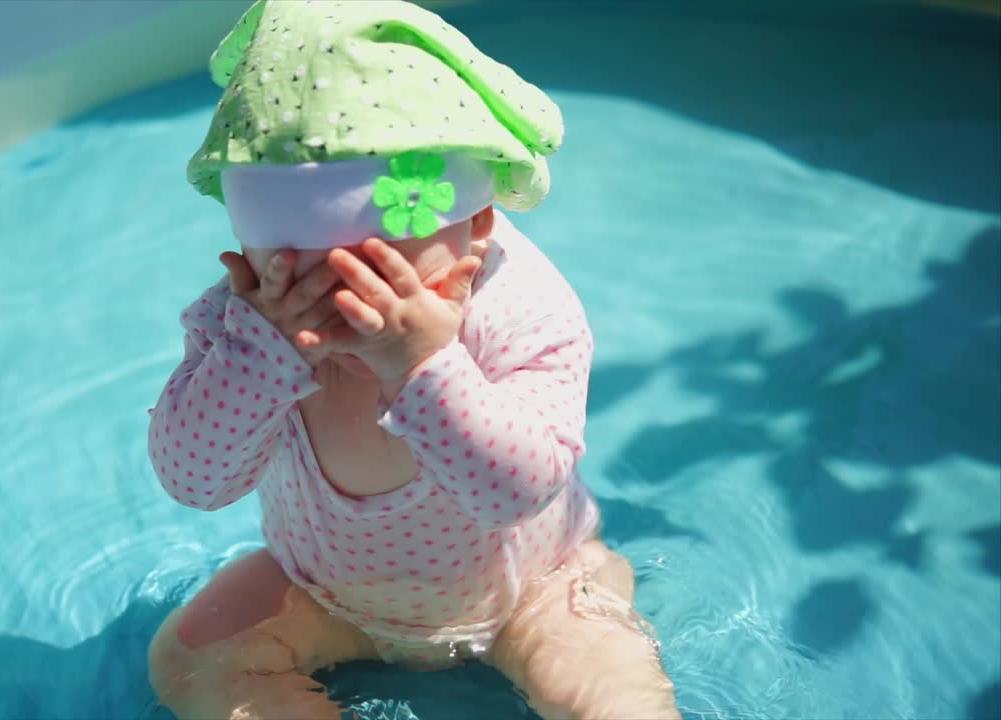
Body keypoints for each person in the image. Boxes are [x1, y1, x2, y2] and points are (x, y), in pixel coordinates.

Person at [146, 2, 679, 717]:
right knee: (188, 660)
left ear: (478, 225)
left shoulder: (522, 309)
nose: (335, 282)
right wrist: (254, 356)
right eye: (289, 248)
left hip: (533, 590)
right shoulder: (244, 321)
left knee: (611, 695)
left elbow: (519, 490)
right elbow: (194, 482)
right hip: (323, 592)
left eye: (376, 257)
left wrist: (425, 366)